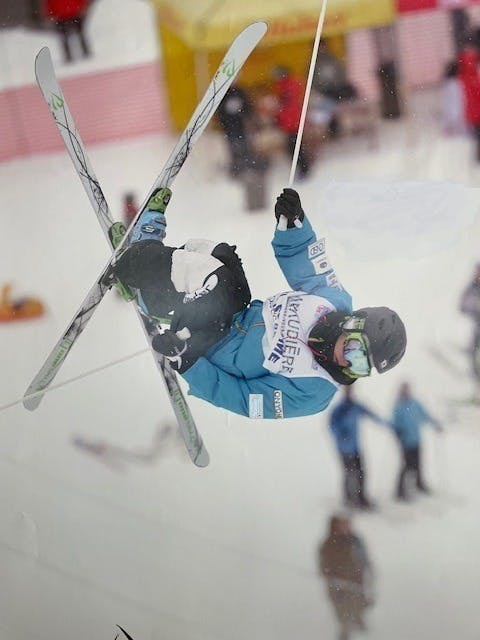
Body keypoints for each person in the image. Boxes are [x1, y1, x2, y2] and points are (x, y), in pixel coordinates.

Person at [108, 187, 407, 420]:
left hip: (208, 347)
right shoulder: (332, 301)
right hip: (234, 312)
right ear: (353, 323)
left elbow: (245, 399)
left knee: (216, 280)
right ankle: (149, 294)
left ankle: (134, 260)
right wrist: (294, 224)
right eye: (355, 350)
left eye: (359, 366)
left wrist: (187, 362)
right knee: (218, 254)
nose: (347, 362)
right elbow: (305, 263)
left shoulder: (314, 392)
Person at [329, 387, 389, 510]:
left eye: (351, 391)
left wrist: (388, 425)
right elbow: (332, 425)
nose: (350, 393)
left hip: (356, 448)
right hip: (344, 450)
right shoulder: (339, 409)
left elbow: (372, 415)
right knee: (349, 474)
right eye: (348, 391)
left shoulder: (356, 406)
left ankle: (361, 498)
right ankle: (348, 499)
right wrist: (341, 435)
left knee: (361, 473)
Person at [319, 514, 374, 640]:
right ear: (335, 526)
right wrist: (329, 575)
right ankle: (345, 631)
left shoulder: (355, 540)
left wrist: (368, 569)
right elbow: (323, 564)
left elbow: (363, 558)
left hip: (356, 580)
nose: (347, 526)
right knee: (342, 610)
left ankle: (358, 620)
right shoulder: (329, 544)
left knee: (358, 604)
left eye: (348, 523)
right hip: (337, 585)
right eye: (343, 524)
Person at [392, 383, 443, 500]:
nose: (406, 392)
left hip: (416, 440)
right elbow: (394, 422)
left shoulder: (415, 403)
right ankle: (400, 491)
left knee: (418, 464)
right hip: (405, 442)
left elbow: (425, 415)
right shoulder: (398, 406)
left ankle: (419, 484)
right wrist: (397, 432)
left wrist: (436, 424)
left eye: (407, 389)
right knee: (406, 466)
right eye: (403, 390)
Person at [272, 67, 311, 179]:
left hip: (291, 122)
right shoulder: (292, 85)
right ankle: (302, 168)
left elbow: (286, 106)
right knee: (296, 147)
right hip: (293, 121)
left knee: (294, 147)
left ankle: (302, 168)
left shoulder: (285, 87)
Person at [217, 83, 253, 177]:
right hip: (229, 125)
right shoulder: (224, 92)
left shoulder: (239, 92)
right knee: (233, 146)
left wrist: (247, 117)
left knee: (243, 145)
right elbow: (220, 110)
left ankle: (244, 165)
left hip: (240, 124)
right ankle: (237, 166)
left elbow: (247, 106)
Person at [458, 41, 480, 160]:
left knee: (477, 135)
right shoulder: (471, 77)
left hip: (473, 112)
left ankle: (477, 156)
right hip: (476, 112)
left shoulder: (465, 76)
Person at [460, 263, 480, 381]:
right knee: (473, 353)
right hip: (477, 330)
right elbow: (462, 306)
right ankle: (476, 377)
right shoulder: (472, 288)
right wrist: (474, 307)